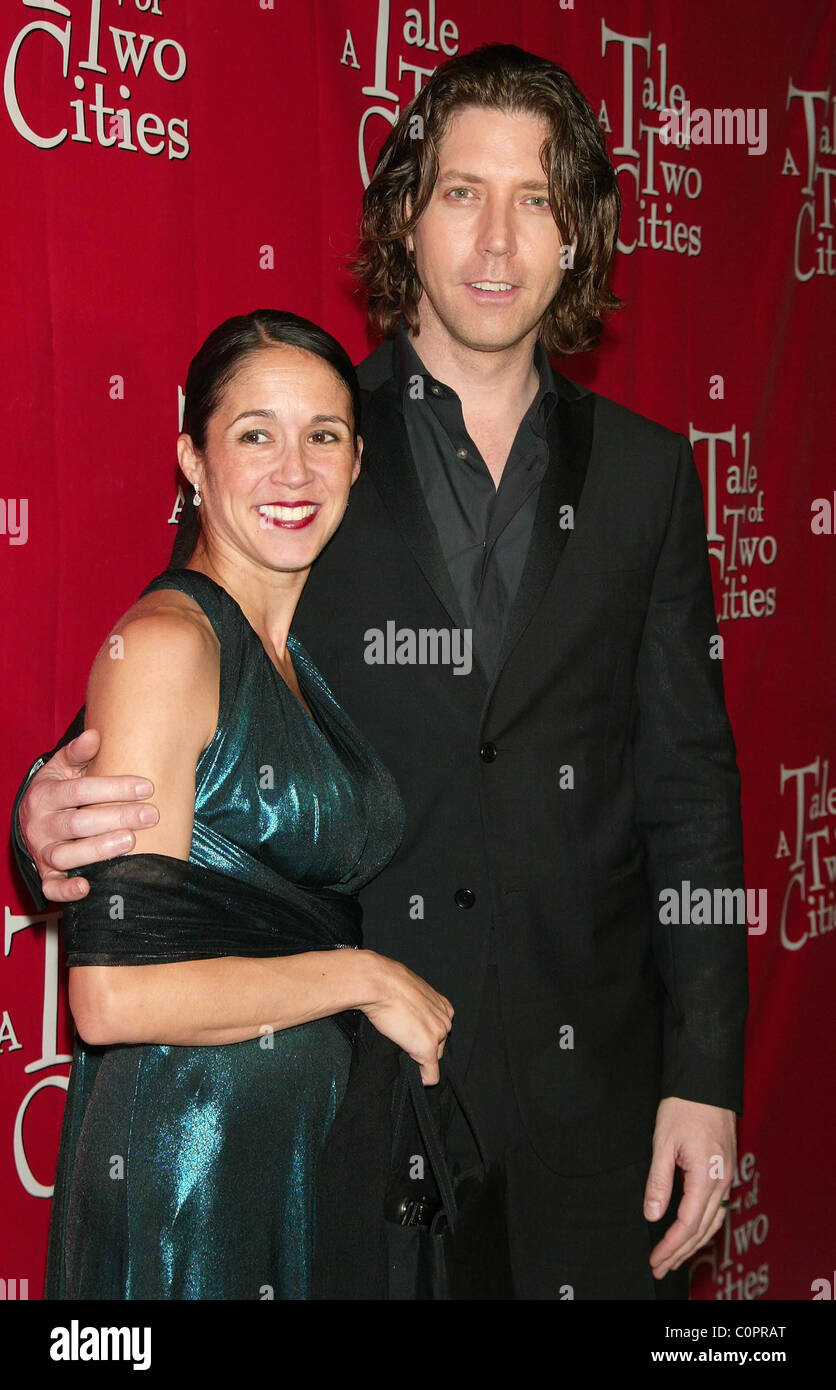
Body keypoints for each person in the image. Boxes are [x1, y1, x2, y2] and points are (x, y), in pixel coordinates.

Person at [14, 44, 748, 1300]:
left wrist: (704, 1075)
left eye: (535, 199)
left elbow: (691, 793)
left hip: (602, 1104)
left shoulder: (644, 478)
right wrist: (39, 802)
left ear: (578, 234)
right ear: (405, 215)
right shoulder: (305, 449)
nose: (496, 240)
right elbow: (188, 667)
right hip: (369, 1092)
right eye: (462, 191)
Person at [31, 309, 453, 1300]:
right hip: (191, 1167)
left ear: (357, 461)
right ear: (191, 458)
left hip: (288, 1158)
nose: (293, 470)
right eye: (255, 434)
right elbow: (110, 998)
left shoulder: (293, 652)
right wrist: (361, 977)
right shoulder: (175, 643)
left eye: (324, 436)